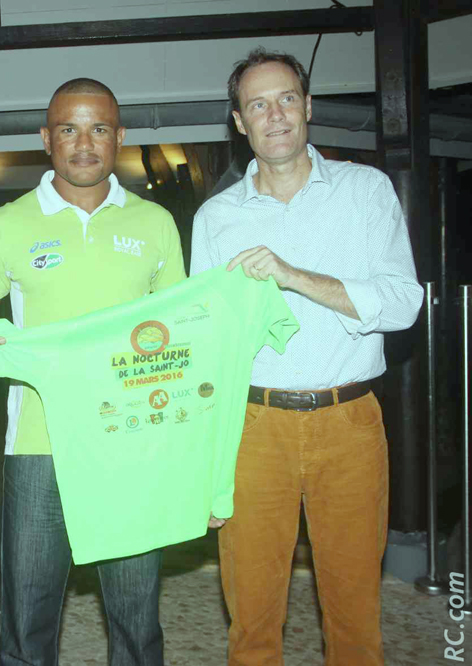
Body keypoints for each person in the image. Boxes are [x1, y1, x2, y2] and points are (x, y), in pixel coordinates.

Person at [190, 48, 423, 666]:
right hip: (252, 429)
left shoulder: (366, 191)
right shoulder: (216, 218)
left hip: (348, 424)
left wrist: (295, 276)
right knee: (252, 618)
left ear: (309, 106)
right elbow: (207, 343)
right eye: (257, 104)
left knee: (353, 619)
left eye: (287, 98)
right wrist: (205, 463)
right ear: (238, 122)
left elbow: (404, 304)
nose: (275, 115)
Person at [0, 78, 186, 666]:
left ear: (119, 137)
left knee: (137, 622)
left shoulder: (156, 224)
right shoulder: (8, 224)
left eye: (98, 129)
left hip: (132, 443)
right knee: (27, 620)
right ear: (47, 138)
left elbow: (176, 338)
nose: (83, 143)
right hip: (38, 447)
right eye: (69, 128)